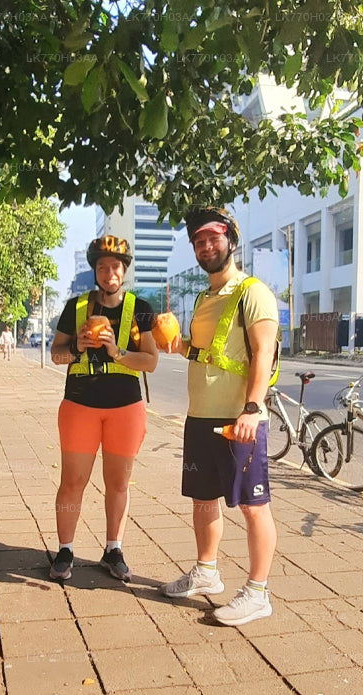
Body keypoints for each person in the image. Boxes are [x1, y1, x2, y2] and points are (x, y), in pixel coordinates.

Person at [160, 206, 281, 627]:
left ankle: (258, 592)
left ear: (231, 239)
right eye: (198, 241)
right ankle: (207, 573)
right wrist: (177, 344)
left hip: (239, 418)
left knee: (252, 505)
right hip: (200, 416)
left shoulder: (253, 292)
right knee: (203, 499)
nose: (206, 246)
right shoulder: (204, 297)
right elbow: (203, 351)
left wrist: (253, 408)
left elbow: (264, 352)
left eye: (213, 238)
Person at [48, 235, 158, 582]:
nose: (109, 272)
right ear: (95, 271)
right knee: (73, 481)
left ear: (124, 271)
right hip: (80, 405)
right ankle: (65, 549)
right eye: (102, 266)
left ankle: (114, 548)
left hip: (125, 408)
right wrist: (78, 348)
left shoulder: (140, 308)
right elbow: (56, 355)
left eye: (115, 266)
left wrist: (118, 352)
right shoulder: (76, 307)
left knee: (118, 482)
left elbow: (152, 362)